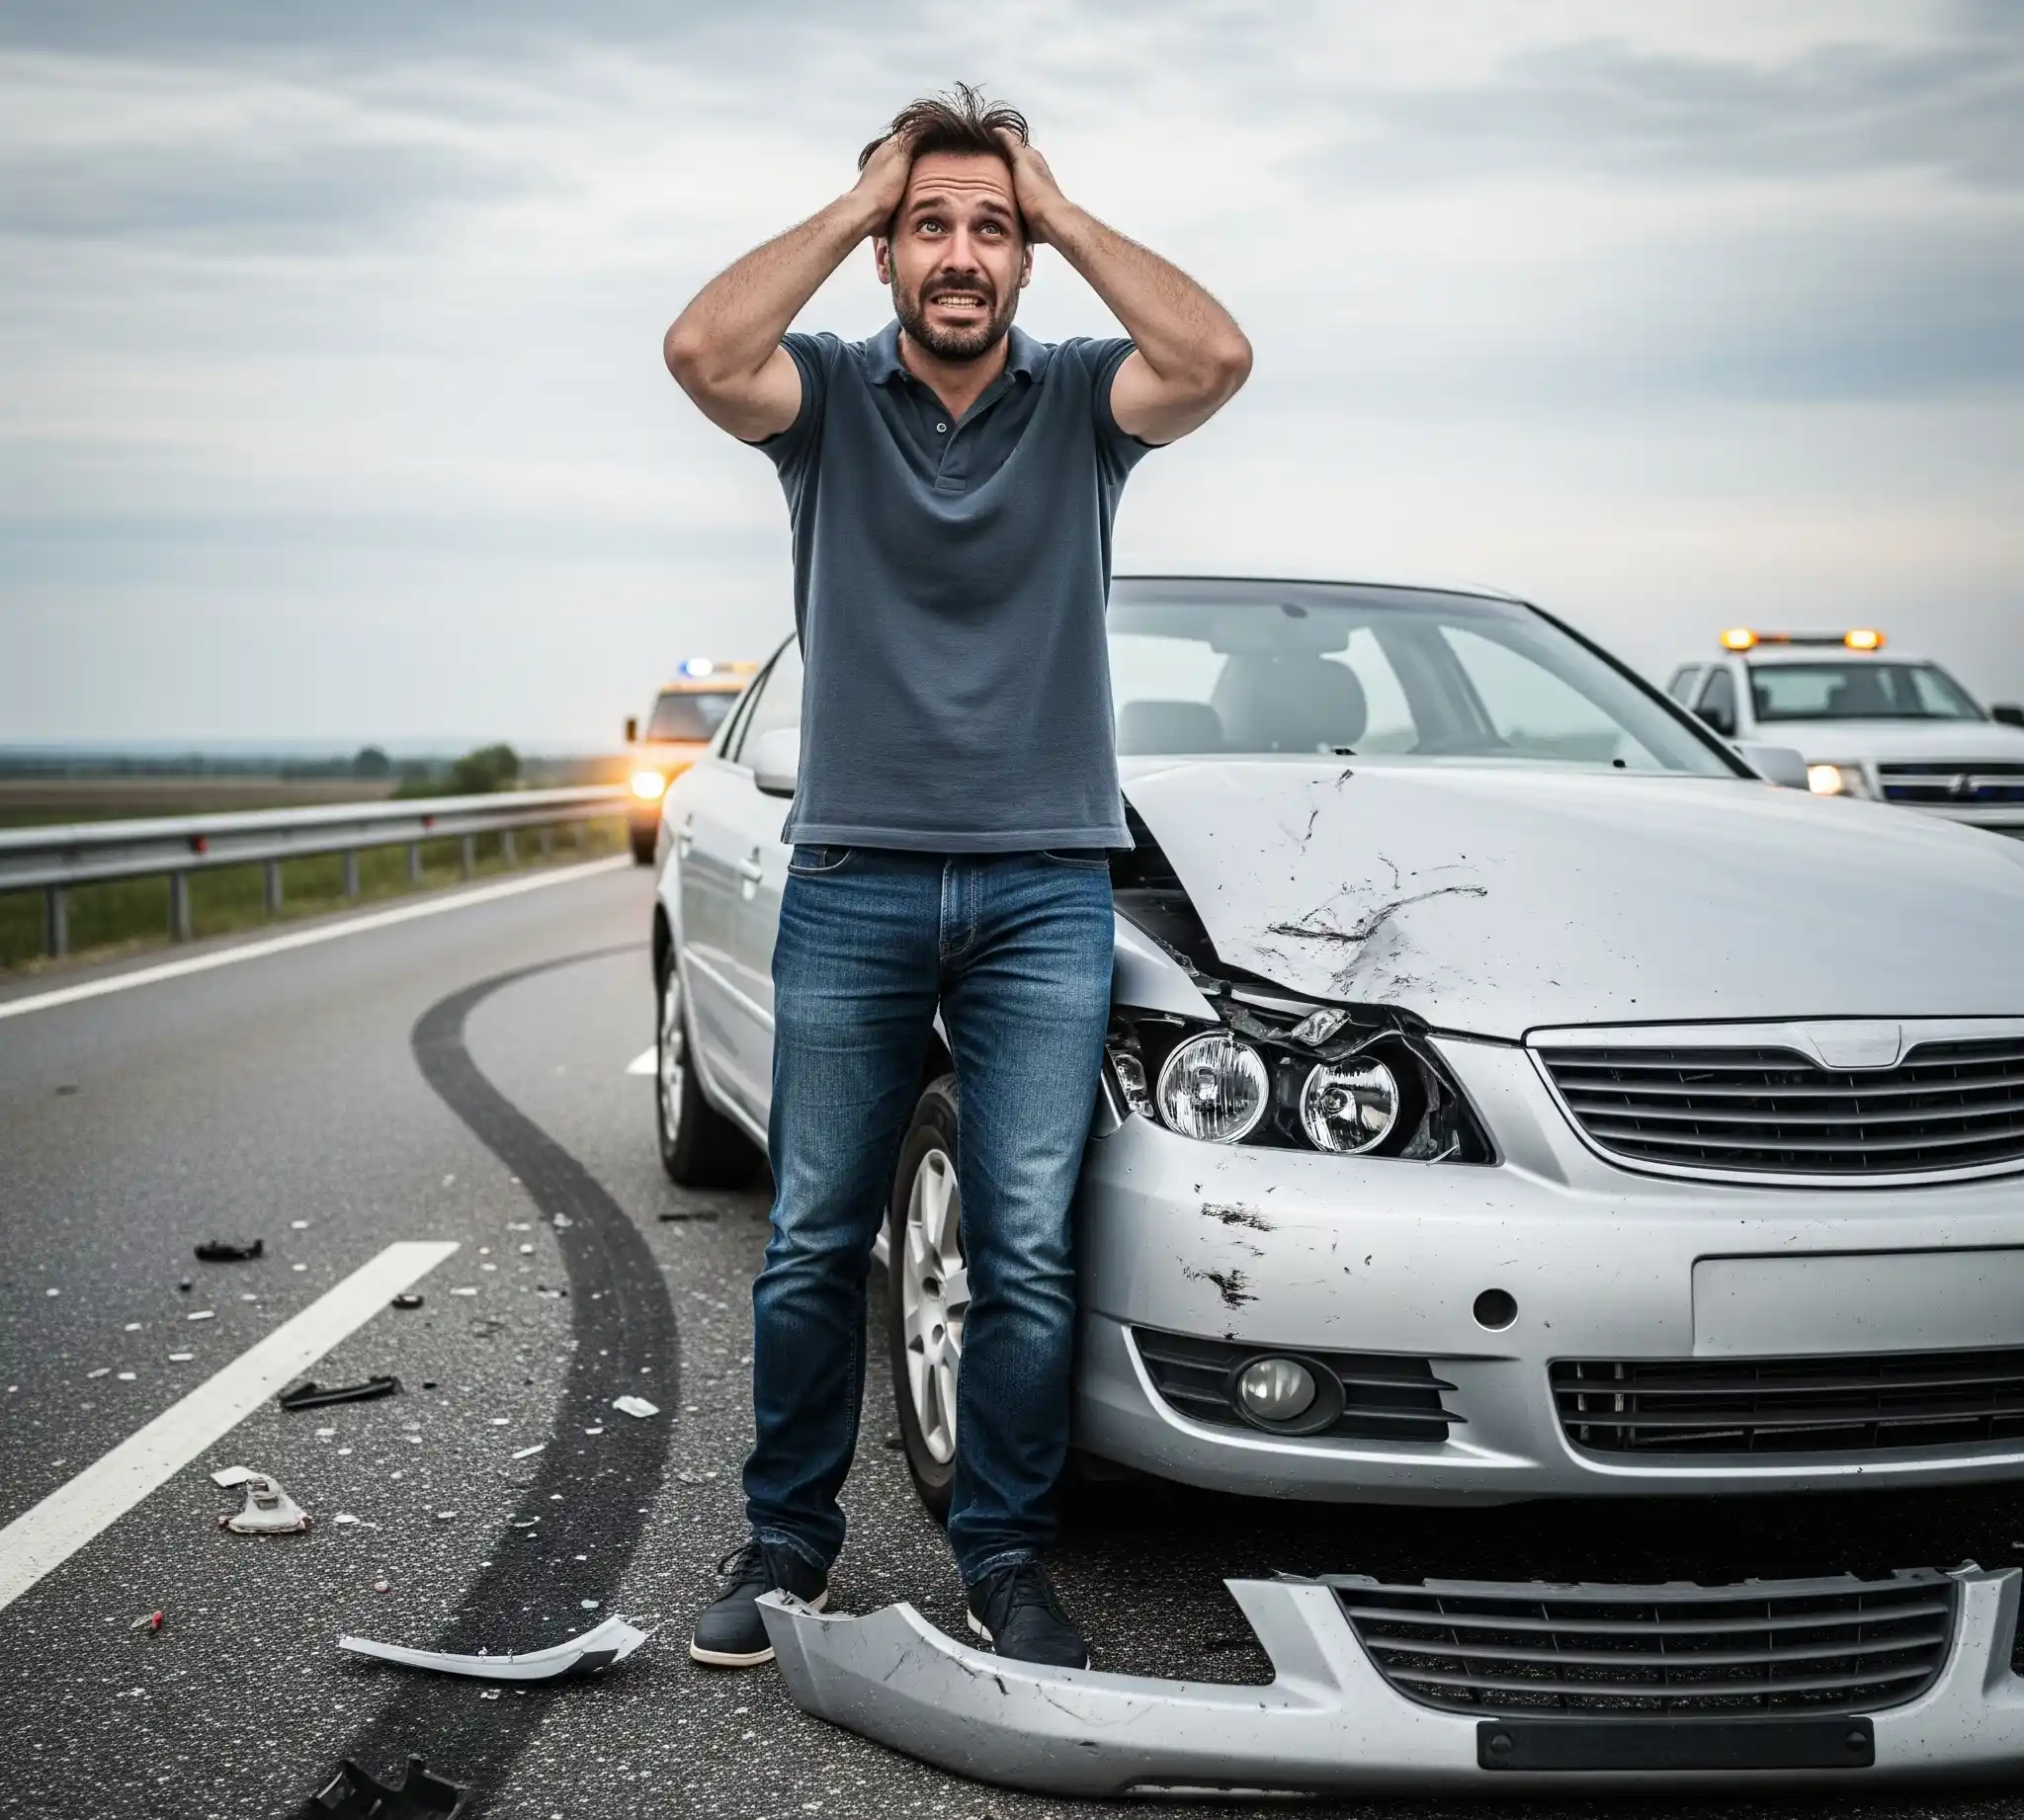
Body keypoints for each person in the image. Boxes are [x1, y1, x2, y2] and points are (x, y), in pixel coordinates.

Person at [664, 84, 1250, 1671]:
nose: (962, 251)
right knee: (810, 1235)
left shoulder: (1078, 405)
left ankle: (1004, 1552)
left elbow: (1214, 360)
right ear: (885, 249)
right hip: (854, 876)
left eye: (990, 226)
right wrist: (859, 199)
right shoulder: (831, 404)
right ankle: (787, 1537)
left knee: (1024, 1243)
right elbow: (703, 352)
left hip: (1046, 890)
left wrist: (1059, 206)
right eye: (932, 223)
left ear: (1028, 252)